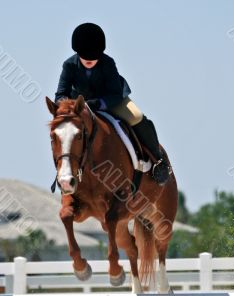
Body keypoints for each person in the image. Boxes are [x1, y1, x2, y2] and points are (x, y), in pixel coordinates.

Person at [55, 22, 169, 185]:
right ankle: (65, 169)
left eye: (93, 56)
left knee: (137, 116)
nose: (89, 60)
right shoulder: (69, 65)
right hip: (80, 106)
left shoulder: (108, 63)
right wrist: (66, 107)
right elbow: (60, 94)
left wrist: (98, 104)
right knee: (64, 131)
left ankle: (158, 161)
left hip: (111, 100)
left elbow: (115, 94)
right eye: (85, 56)